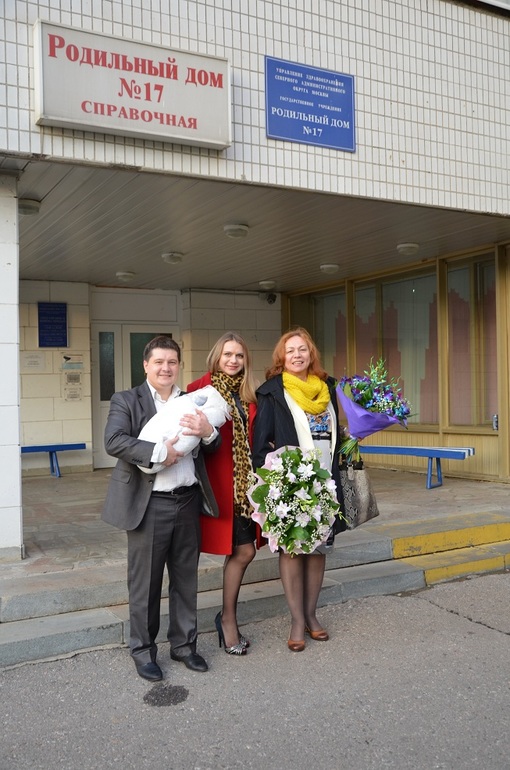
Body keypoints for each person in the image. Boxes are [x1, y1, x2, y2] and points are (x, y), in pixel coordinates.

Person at [102, 335, 220, 681]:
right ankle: (143, 651)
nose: (166, 368)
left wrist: (209, 431)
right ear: (146, 365)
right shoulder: (126, 400)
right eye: (159, 362)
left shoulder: (192, 400)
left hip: (188, 500)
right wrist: (158, 453)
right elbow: (114, 441)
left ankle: (184, 646)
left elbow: (210, 448)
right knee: (146, 583)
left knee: (185, 580)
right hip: (149, 504)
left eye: (172, 362)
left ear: (179, 365)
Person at [252, 327, 345, 652]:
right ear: (282, 356)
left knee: (317, 551)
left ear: (311, 354)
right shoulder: (273, 392)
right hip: (291, 483)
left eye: (302, 349)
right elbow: (260, 446)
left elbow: (334, 435)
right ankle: (295, 620)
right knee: (293, 550)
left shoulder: (327, 388)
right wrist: (280, 481)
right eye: (290, 350)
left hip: (325, 482)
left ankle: (311, 615)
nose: (296, 355)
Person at [188, 332, 259, 656]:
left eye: (239, 355)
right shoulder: (198, 389)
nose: (233, 360)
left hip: (245, 488)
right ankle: (226, 620)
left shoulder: (250, 394)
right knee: (241, 550)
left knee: (244, 551)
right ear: (217, 357)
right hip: (216, 485)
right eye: (228, 354)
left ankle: (227, 617)